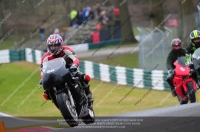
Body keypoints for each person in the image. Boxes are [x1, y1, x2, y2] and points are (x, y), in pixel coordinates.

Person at [40, 34, 94, 108]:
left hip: (69, 70)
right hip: (54, 75)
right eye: (51, 46)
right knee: (46, 92)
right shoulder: (45, 57)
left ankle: (88, 95)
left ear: (61, 44)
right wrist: (42, 78)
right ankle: (60, 105)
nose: (53, 47)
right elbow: (42, 70)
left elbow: (75, 59)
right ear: (48, 46)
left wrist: (74, 65)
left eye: (55, 45)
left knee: (84, 77)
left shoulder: (66, 49)